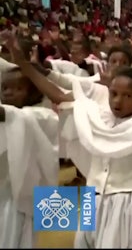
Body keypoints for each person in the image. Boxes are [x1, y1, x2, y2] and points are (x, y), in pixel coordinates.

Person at [9, 36, 132, 248]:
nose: (118, 101)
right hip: (94, 196)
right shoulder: (97, 114)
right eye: (114, 94)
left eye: (128, 96)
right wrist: (24, 65)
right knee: (85, 243)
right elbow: (57, 93)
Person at [0, 67, 59, 248]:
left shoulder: (44, 115)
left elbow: (14, 117)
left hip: (19, 196)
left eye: (18, 88)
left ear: (34, 93)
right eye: (4, 88)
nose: (9, 93)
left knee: (15, 237)